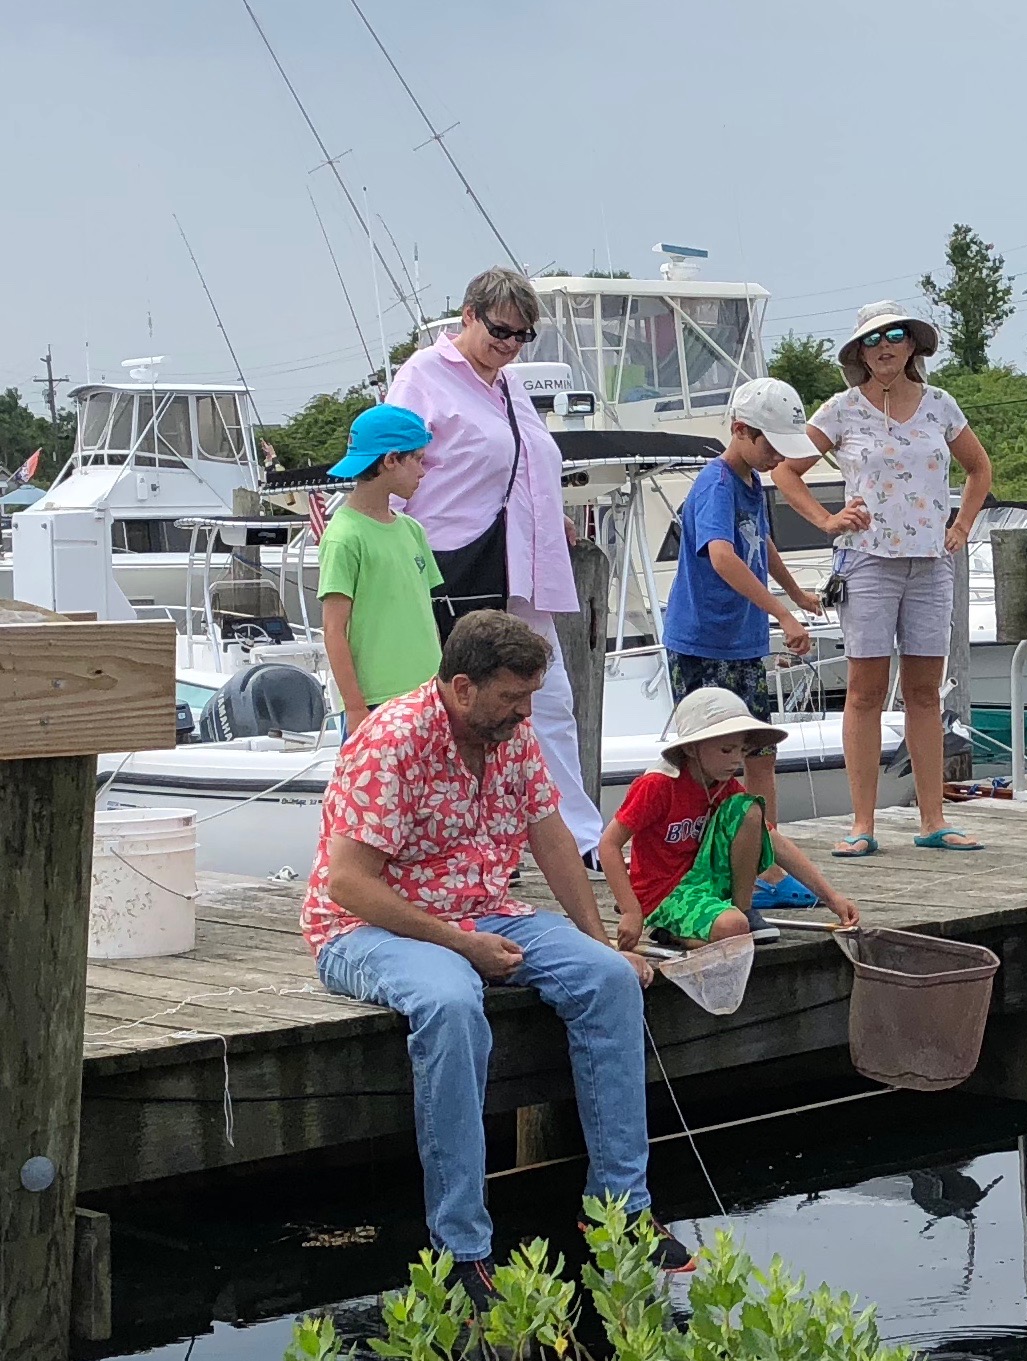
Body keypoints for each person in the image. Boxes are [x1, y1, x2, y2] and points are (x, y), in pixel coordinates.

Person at [303, 610, 692, 1305]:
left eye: (529, 697)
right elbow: (347, 882)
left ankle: (618, 1209)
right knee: (452, 1002)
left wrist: (601, 943)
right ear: (460, 686)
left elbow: (550, 841)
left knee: (607, 981)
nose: (524, 712)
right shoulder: (391, 740)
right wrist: (461, 945)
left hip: (485, 908)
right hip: (365, 927)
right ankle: (462, 1248)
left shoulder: (512, 735)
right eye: (512, 698)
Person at [389, 266, 603, 860]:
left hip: (520, 562)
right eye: (500, 330)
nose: (509, 345)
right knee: (468, 706)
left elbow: (525, 463)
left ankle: (576, 838)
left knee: (548, 698)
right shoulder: (423, 375)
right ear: (468, 316)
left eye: (522, 336)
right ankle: (460, 838)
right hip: (456, 561)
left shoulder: (508, 386)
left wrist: (549, 518)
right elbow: (392, 464)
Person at [771, 301, 993, 858]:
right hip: (866, 560)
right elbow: (784, 470)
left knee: (924, 692)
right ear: (860, 353)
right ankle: (862, 824)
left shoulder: (941, 404)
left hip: (929, 563)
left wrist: (962, 523)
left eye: (896, 335)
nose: (886, 346)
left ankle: (933, 819)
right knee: (866, 693)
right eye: (874, 340)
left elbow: (979, 468)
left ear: (914, 344)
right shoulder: (841, 410)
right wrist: (827, 519)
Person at [661, 376, 866, 919]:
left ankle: (766, 863)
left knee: (761, 753)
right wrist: (779, 610)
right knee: (705, 759)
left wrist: (795, 589)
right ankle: (699, 859)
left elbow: (760, 540)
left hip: (743, 641)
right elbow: (723, 555)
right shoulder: (716, 483)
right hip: (704, 642)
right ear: (739, 430)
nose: (777, 455)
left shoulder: (751, 483)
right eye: (770, 444)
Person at [604, 687, 861, 951]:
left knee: (749, 809)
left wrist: (831, 898)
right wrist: (630, 911)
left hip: (707, 885)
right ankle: (668, 929)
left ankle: (743, 908)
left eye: (741, 750)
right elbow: (608, 845)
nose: (736, 760)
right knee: (734, 928)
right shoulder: (658, 785)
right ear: (692, 749)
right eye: (726, 750)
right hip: (665, 894)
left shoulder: (723, 786)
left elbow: (773, 839)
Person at [317, 404, 443, 736]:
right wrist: (356, 709)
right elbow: (333, 630)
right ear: (390, 460)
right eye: (416, 459)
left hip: (428, 697)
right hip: (376, 706)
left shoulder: (412, 530)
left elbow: (422, 617)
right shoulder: (344, 537)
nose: (422, 471)